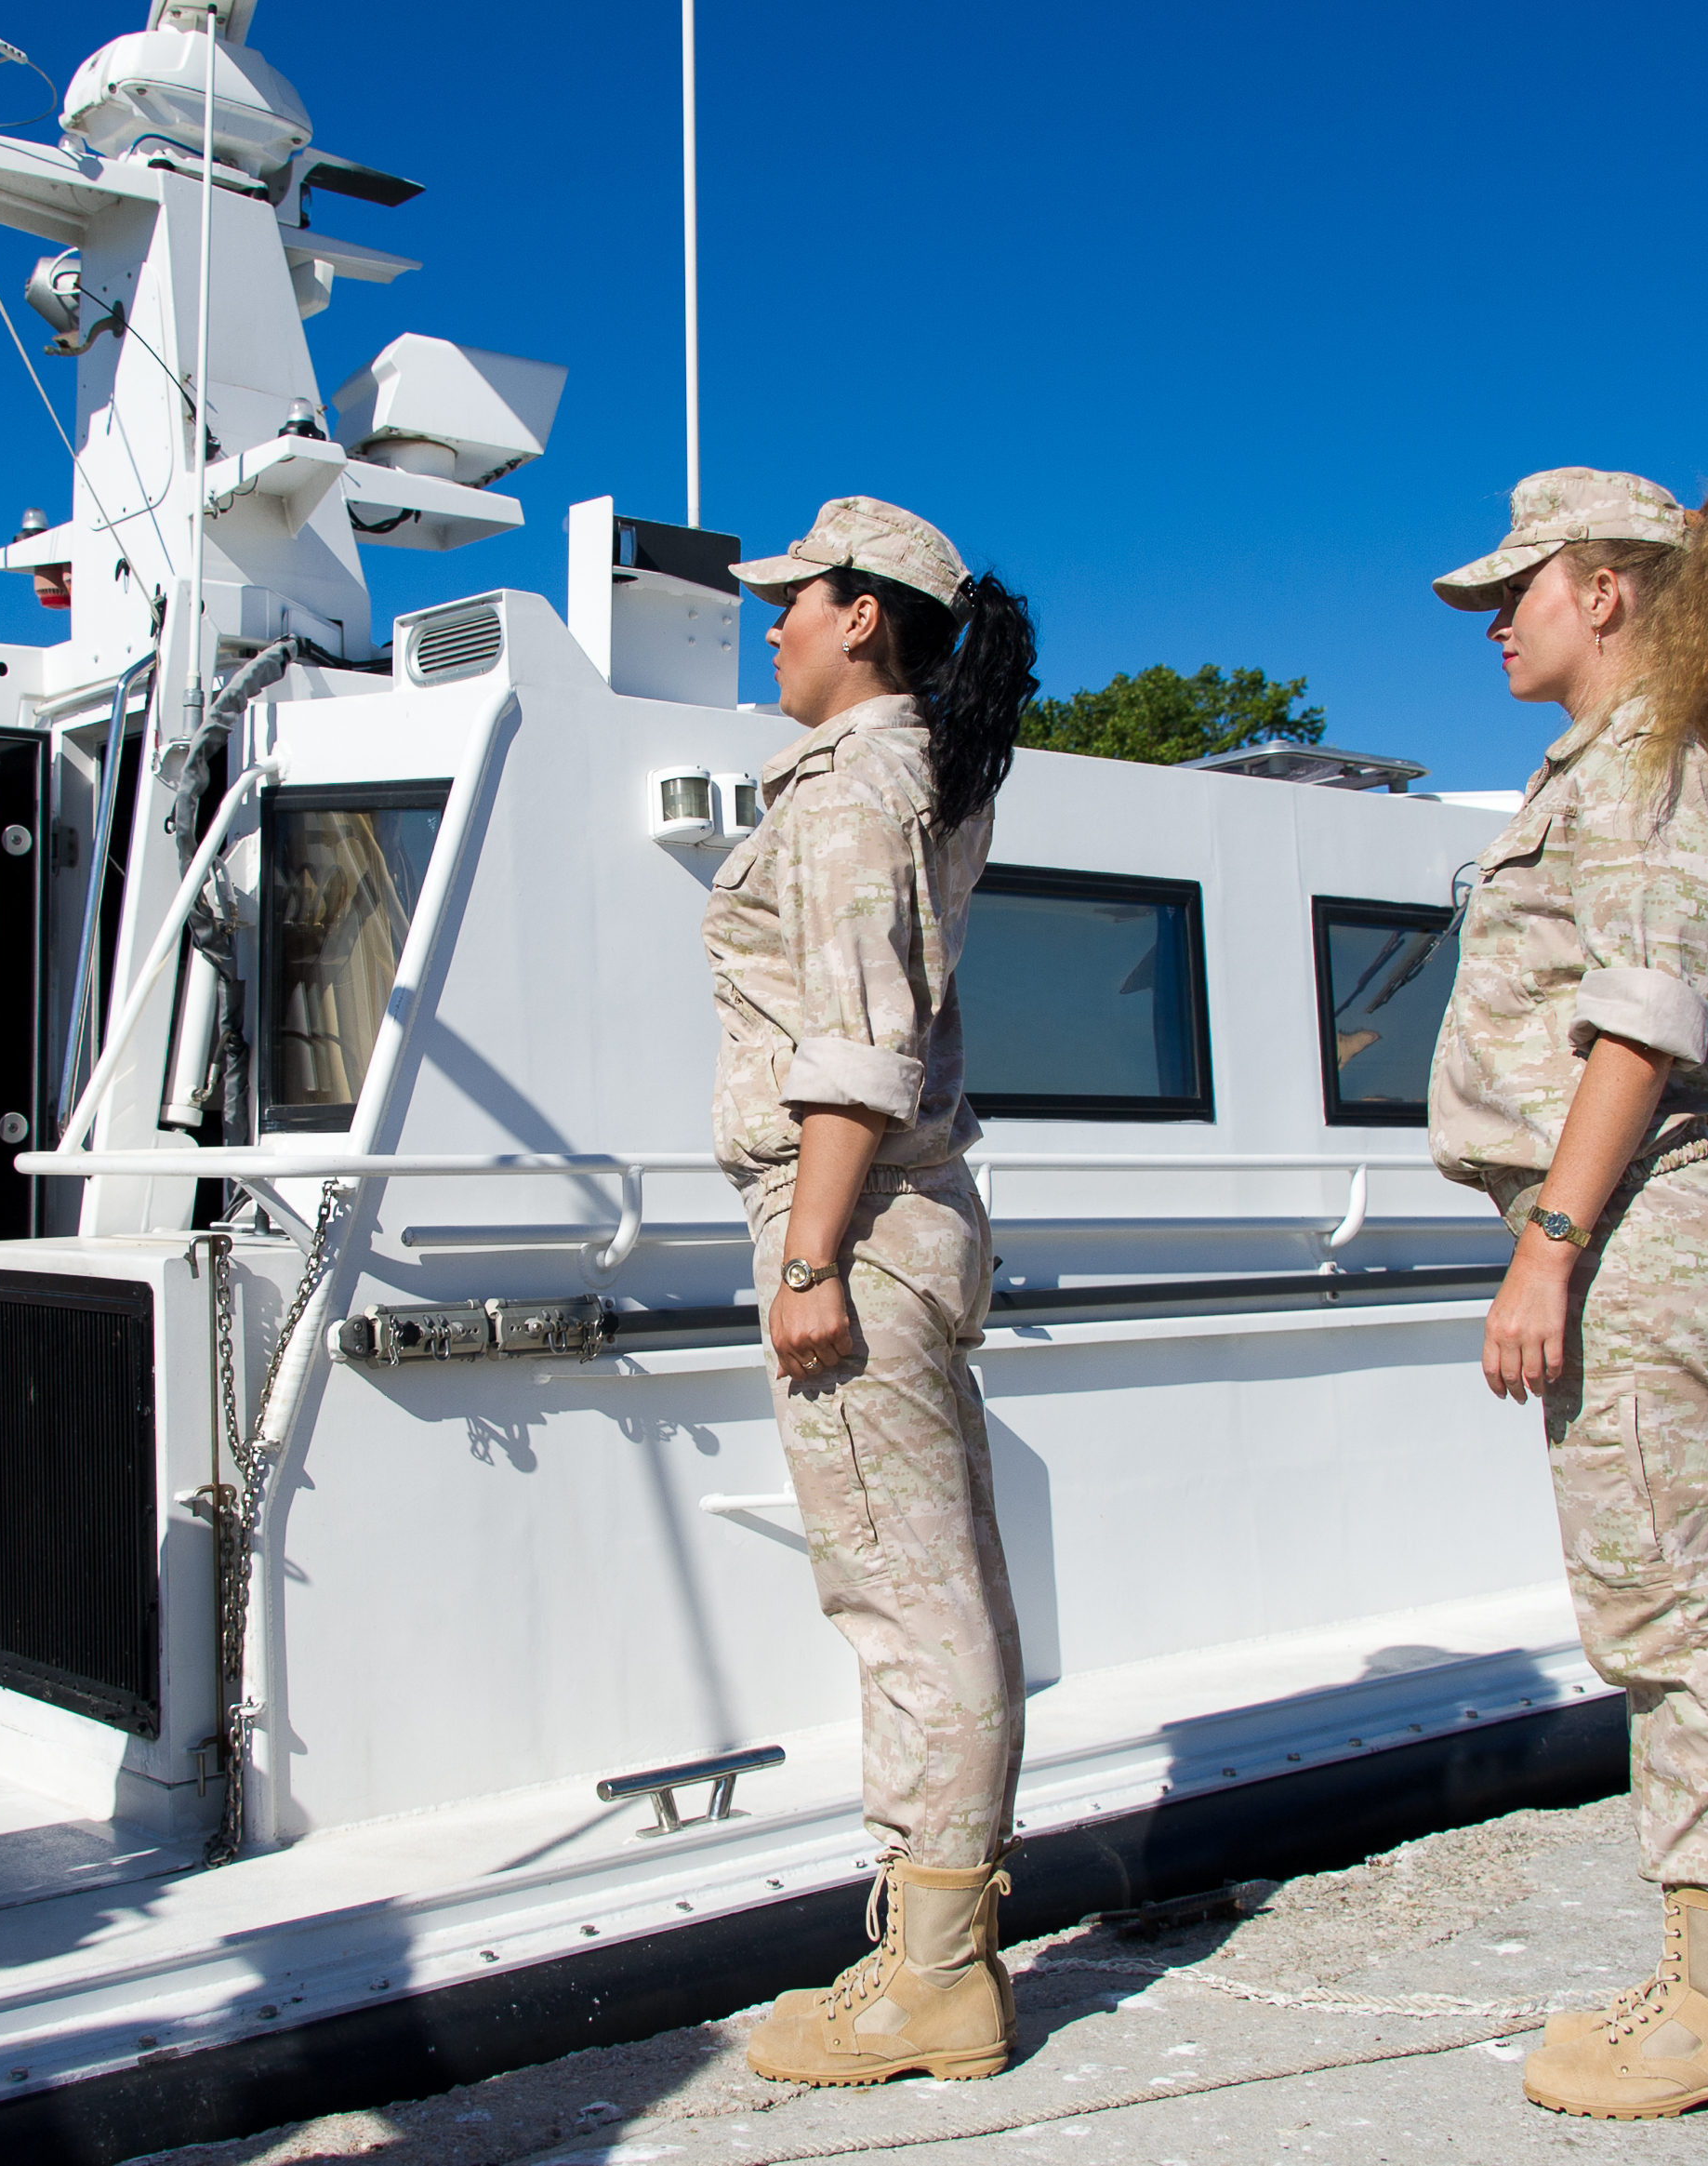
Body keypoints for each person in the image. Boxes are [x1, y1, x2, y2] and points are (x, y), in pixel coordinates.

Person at [1424, 471, 1708, 2117]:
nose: (1495, 617)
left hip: (1631, 1218)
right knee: (1652, 1598)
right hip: (1619, 1218)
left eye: (1518, 588)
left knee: (1674, 1605)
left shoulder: (1649, 759)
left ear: (1605, 589)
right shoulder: (1605, 763)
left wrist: (1551, 1244)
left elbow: (1641, 1026)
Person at [706, 498, 1039, 2087]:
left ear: (861, 617)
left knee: (908, 1611)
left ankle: (933, 1975)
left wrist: (808, 1252)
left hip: (858, 1217)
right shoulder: (913, 768)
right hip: (901, 1220)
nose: (769, 621)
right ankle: (932, 1949)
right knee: (932, 1597)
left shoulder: (854, 786)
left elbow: (853, 1044)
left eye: (793, 599)